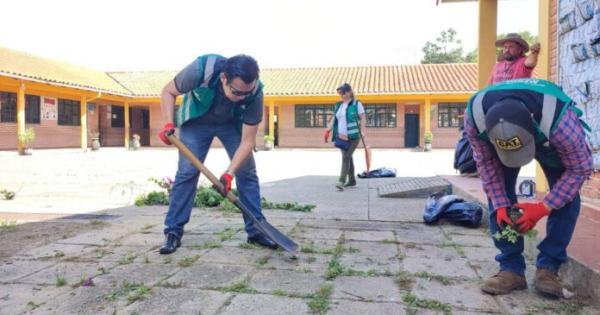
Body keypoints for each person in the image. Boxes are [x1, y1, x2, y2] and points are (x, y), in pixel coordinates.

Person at [465, 78, 593, 297]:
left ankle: (548, 268)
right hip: (502, 140)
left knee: (567, 195)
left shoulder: (560, 121)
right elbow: (487, 167)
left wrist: (544, 207)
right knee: (498, 196)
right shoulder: (474, 118)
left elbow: (580, 169)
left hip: (549, 141)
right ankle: (511, 269)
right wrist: (502, 205)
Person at [157, 54, 277, 254]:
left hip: (231, 122)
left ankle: (256, 230)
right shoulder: (202, 69)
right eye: (237, 92)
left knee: (246, 172)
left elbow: (247, 141)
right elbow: (168, 91)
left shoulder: (254, 92)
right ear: (223, 78)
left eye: (246, 93)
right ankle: (173, 231)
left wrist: (229, 173)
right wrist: (169, 123)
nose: (242, 97)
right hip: (197, 121)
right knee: (187, 172)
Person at [323, 83, 367, 191]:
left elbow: (363, 118)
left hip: (354, 136)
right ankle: (352, 181)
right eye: (340, 93)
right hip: (341, 137)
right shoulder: (339, 105)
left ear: (349, 92)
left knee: (346, 157)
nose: (341, 95)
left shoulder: (357, 104)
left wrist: (363, 130)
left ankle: (341, 181)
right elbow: (334, 119)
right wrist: (328, 130)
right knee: (348, 158)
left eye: (343, 92)